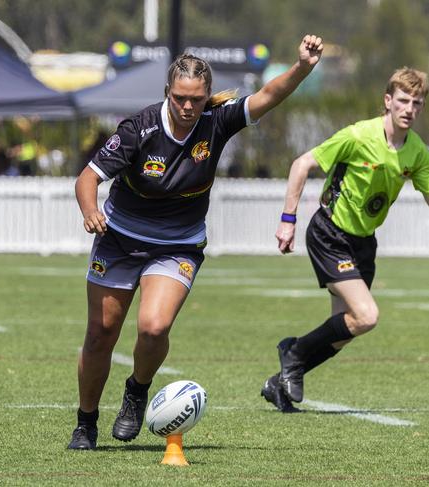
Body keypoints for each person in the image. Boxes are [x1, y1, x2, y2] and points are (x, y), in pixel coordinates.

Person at [68, 35, 324, 450]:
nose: (189, 107)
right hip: (118, 239)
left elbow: (268, 96)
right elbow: (88, 177)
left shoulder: (216, 121)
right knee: (101, 333)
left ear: (207, 97)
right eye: (181, 98)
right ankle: (86, 422)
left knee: (154, 327)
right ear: (168, 92)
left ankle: (137, 391)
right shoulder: (139, 129)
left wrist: (302, 67)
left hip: (178, 244)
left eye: (197, 99)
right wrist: (89, 209)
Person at [261, 67, 429, 413]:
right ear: (387, 101)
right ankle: (292, 352)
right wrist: (287, 221)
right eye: (403, 100)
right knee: (367, 315)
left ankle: (278, 383)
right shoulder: (358, 135)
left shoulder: (417, 152)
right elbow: (300, 164)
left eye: (417, 102)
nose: (410, 108)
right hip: (329, 234)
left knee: (346, 330)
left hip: (364, 243)